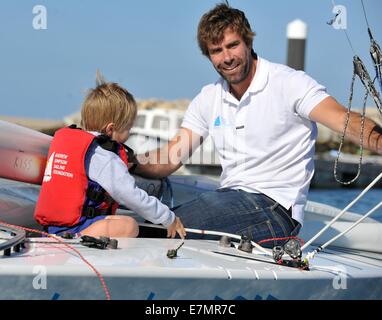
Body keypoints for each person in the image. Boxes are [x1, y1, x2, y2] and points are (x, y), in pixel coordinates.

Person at [132, 3, 382, 245]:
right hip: (229, 200)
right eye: (216, 51)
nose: (227, 57)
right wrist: (124, 159)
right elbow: (170, 157)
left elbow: (344, 120)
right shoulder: (208, 98)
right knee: (145, 217)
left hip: (274, 211)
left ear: (249, 42)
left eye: (233, 45)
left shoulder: (289, 83)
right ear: (207, 56)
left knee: (155, 229)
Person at [34, 77, 186, 240]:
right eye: (128, 129)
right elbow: (130, 195)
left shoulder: (77, 145)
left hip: (54, 225)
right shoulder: (104, 155)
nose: (129, 134)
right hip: (78, 227)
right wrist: (167, 217)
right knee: (129, 226)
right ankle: (75, 239)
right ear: (111, 129)